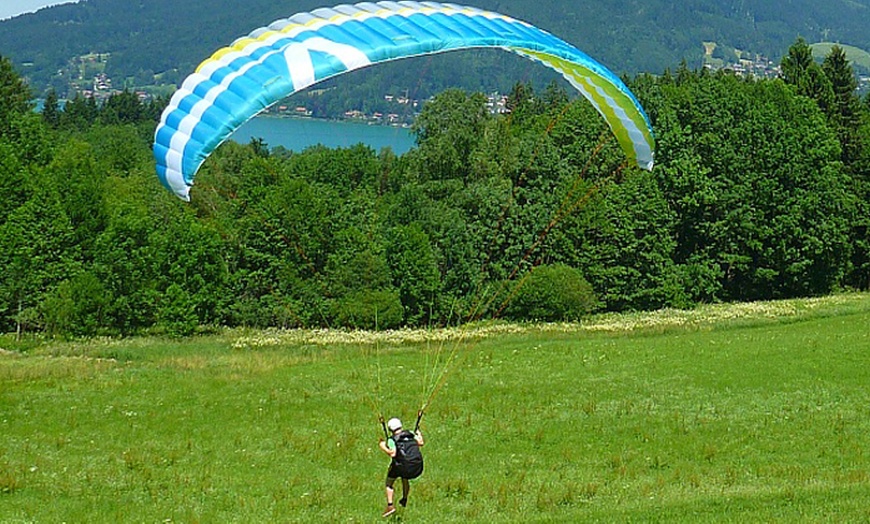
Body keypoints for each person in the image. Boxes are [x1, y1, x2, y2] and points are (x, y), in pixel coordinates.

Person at [378, 417, 424, 517]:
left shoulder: (392, 440)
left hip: (402, 466)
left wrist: (383, 447)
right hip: (417, 466)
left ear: (390, 429)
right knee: (404, 477)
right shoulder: (411, 434)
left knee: (389, 483)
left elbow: (393, 454)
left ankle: (390, 505)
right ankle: (404, 499)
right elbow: (420, 443)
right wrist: (419, 434)